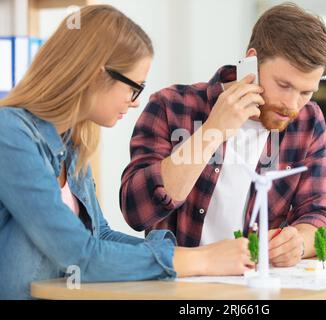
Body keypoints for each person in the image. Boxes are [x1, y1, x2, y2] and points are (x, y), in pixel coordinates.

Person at [0, 5, 254, 300]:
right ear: (97, 75)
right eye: (135, 87)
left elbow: (100, 237)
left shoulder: (71, 145)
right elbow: (80, 256)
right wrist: (200, 261)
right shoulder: (10, 134)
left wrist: (194, 257)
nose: (135, 102)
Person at [120, 3, 326, 268]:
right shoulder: (170, 106)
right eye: (283, 85)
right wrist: (213, 130)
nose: (292, 106)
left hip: (261, 289)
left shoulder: (308, 121)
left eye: (306, 93)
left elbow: (319, 214)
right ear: (251, 61)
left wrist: (300, 242)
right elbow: (136, 212)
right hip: (183, 288)